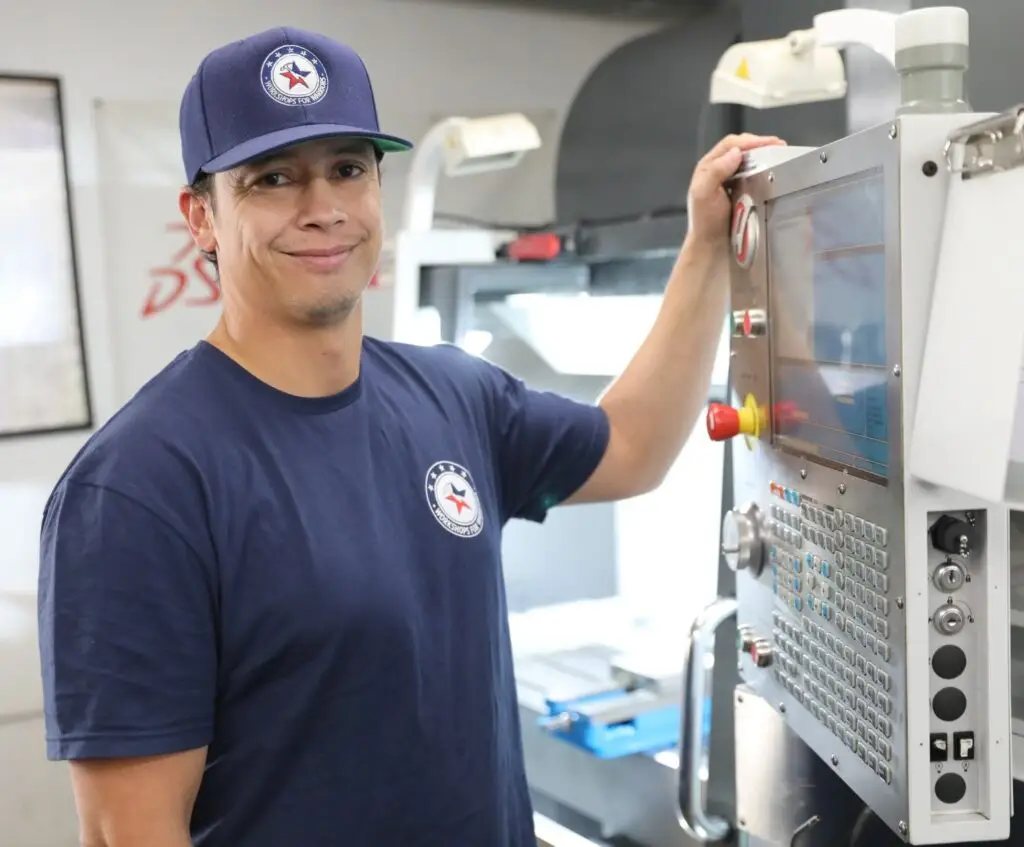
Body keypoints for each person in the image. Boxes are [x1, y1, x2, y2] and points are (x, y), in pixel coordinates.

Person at [36, 25, 782, 847]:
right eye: (272, 179)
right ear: (200, 217)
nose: (322, 209)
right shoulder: (138, 488)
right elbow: (129, 833)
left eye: (347, 169)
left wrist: (707, 247)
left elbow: (632, 447)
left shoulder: (452, 394)